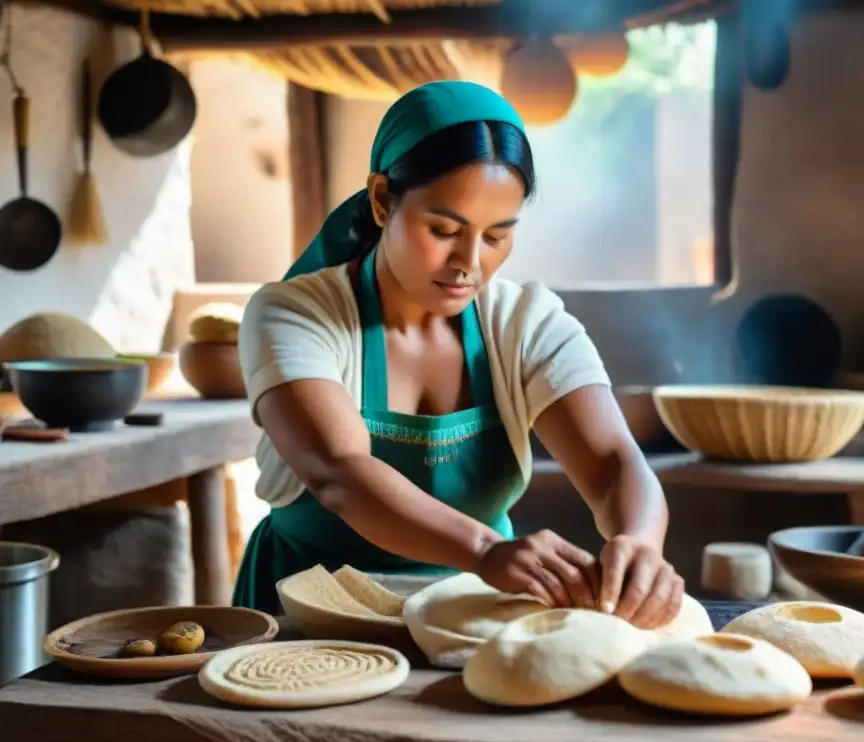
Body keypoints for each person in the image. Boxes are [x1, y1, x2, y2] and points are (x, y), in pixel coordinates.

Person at [233, 80, 684, 630]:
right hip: (310, 610)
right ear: (381, 200)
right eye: (444, 230)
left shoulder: (524, 324)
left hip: (475, 614)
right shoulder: (294, 313)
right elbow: (338, 473)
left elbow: (614, 463)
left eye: (497, 236)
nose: (468, 262)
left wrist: (639, 541)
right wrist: (484, 550)